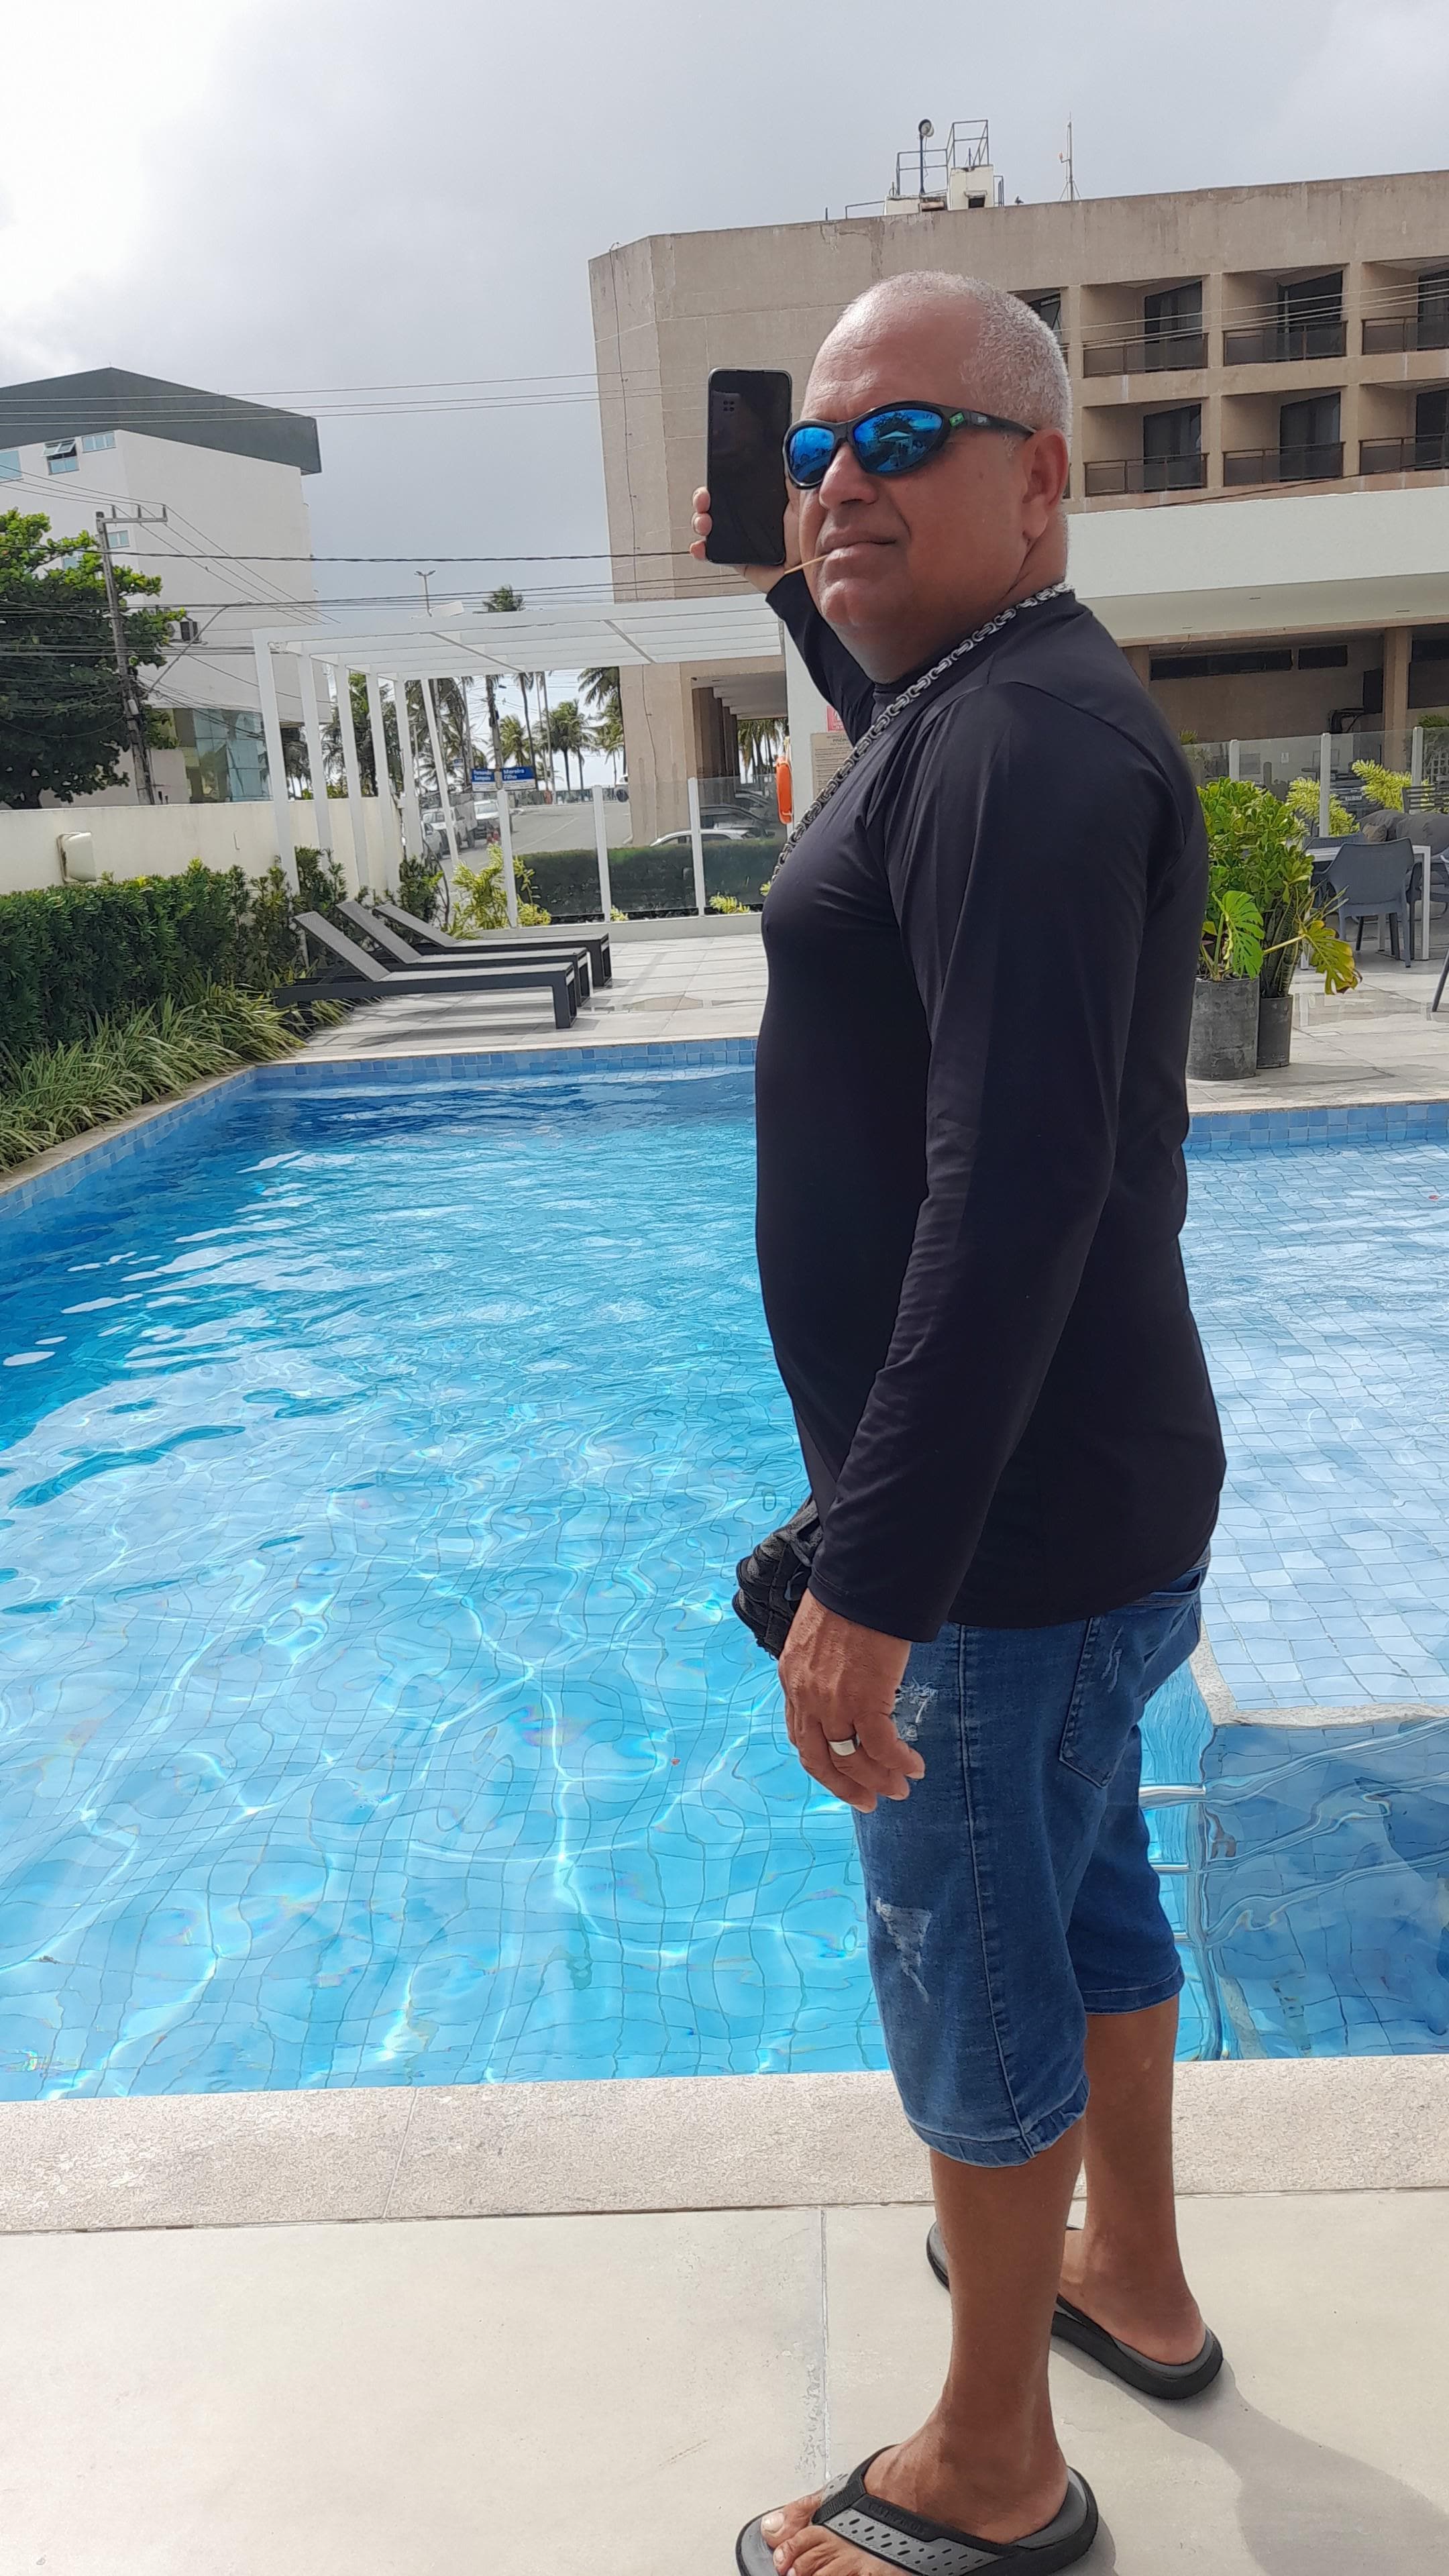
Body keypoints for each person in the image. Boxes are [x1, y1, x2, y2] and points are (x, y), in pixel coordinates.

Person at [692, 272, 1228, 2576]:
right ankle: (1134, 2277)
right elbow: (894, 736)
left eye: (900, 443)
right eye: (816, 450)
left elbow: (1012, 1198)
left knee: (977, 1958)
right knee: (1088, 1897)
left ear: (1045, 480)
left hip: (1000, 1551)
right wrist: (802, 586)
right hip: (1089, 1503)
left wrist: (874, 1578)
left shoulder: (1016, 752)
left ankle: (993, 2467)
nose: (840, 485)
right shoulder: (989, 708)